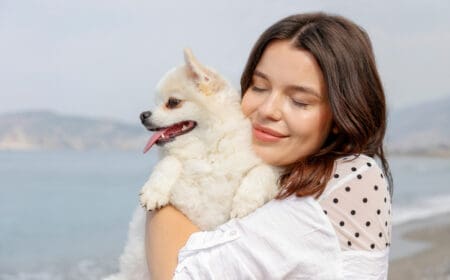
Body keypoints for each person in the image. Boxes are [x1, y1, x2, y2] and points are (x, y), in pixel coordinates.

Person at [146, 12, 393, 279]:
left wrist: (164, 193)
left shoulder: (352, 178)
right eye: (259, 87)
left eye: (299, 100)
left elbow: (184, 274)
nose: (267, 110)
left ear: (340, 115)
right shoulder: (281, 176)